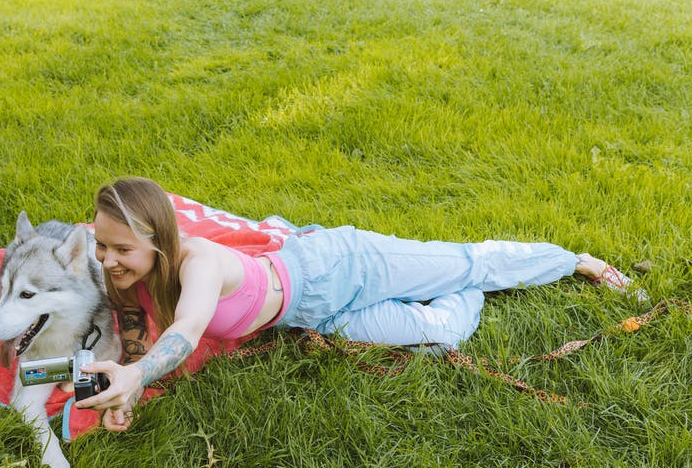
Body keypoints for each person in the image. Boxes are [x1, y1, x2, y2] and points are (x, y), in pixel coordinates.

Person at [74, 176, 637, 431]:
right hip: (317, 311)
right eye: (101, 244)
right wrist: (128, 388)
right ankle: (465, 292)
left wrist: (140, 372)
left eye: (121, 248)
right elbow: (136, 334)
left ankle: (573, 260)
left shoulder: (198, 261)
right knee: (443, 334)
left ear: (159, 241)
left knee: (468, 261)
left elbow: (190, 325)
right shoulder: (124, 275)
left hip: (340, 265)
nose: (107, 258)